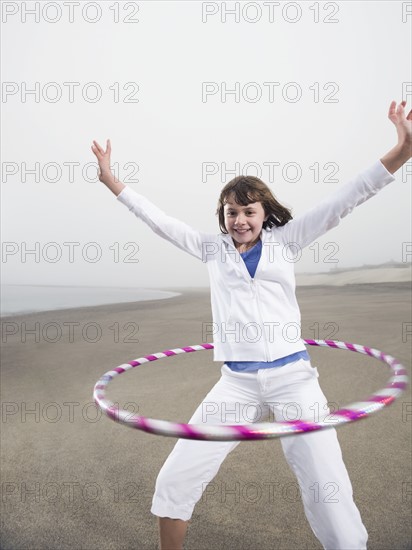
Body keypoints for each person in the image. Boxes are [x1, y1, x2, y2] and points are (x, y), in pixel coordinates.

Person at [92, 100, 411, 550]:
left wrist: (401, 151)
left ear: (265, 214)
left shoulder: (288, 241)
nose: (240, 220)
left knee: (329, 493)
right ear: (222, 216)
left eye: (249, 212)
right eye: (231, 213)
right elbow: (159, 222)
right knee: (175, 478)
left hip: (293, 379)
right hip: (235, 385)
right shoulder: (210, 250)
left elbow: (348, 198)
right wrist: (112, 181)